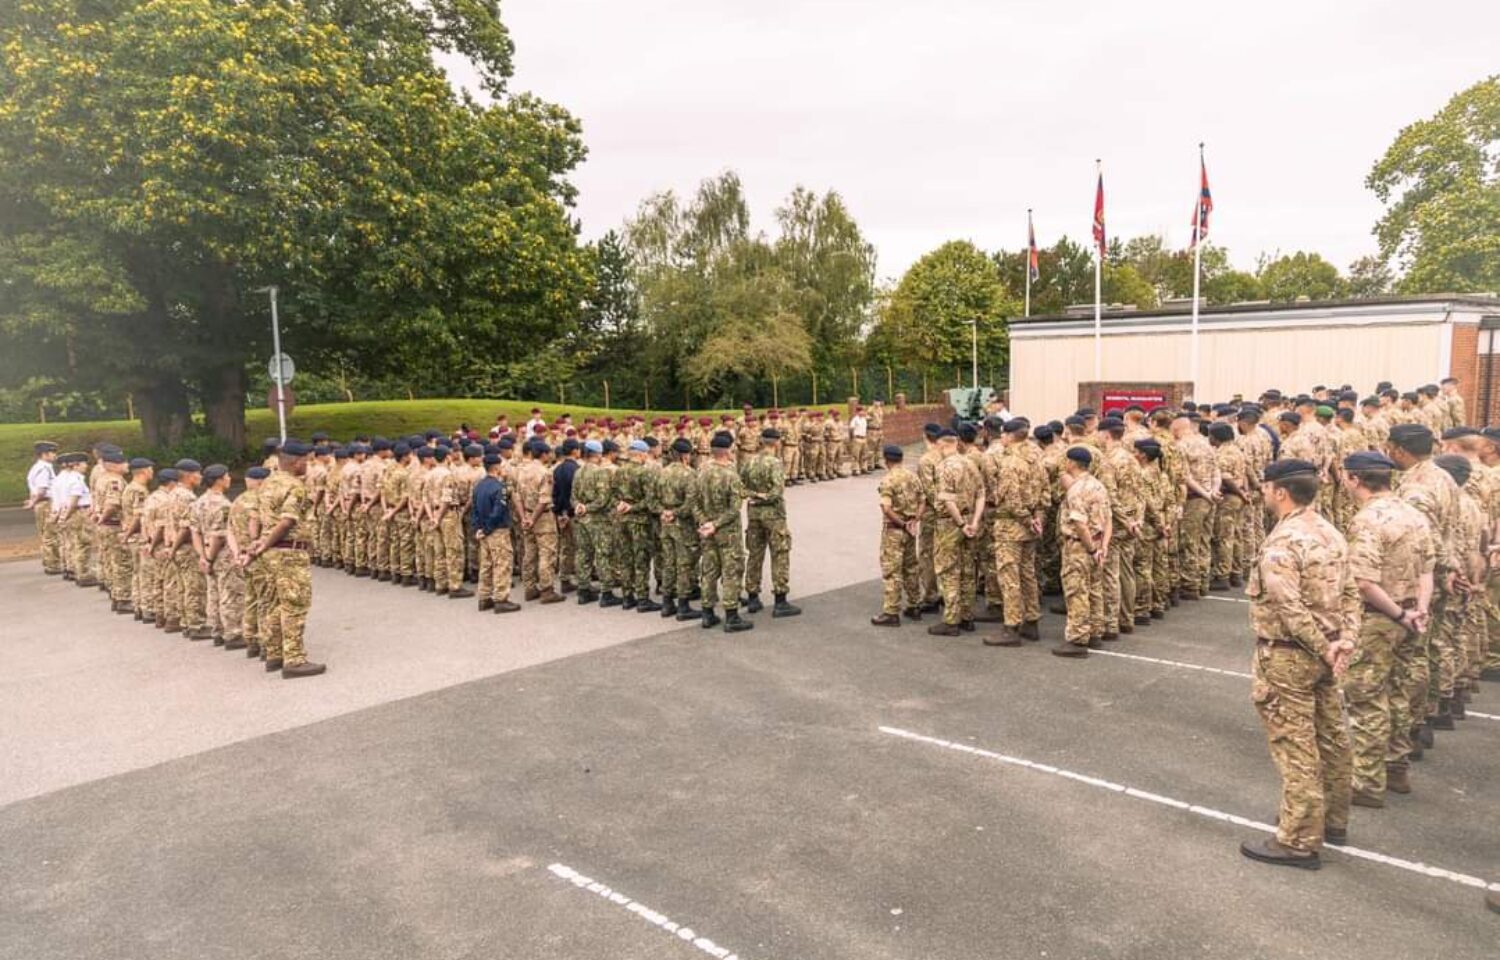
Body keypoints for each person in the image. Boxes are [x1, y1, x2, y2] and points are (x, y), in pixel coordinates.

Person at [1240, 459, 1356, 870]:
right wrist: (1344, 642)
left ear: (1280, 491)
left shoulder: (1282, 541)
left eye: (1267, 487)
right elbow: (1351, 595)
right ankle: (1332, 819)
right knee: (1331, 737)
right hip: (1325, 652)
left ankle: (1299, 840)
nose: (1263, 492)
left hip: (1289, 654)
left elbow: (1288, 606)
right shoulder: (1331, 532)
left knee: (1296, 747)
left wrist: (1325, 647)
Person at [1340, 451, 1434, 806]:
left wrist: (1397, 614)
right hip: (1412, 612)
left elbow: (1364, 581)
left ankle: (1366, 782)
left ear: (1354, 479)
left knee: (1366, 698)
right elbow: (1427, 569)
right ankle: (1396, 767)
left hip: (1380, 618)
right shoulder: (1413, 514)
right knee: (1399, 692)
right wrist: (1419, 610)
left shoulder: (1367, 520)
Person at [242, 440, 326, 678]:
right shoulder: (295, 486)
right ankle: (294, 659)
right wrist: (266, 543)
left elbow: (256, 518)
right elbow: (287, 521)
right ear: (296, 462)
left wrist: (259, 543)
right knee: (295, 605)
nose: (308, 466)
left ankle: (275, 654)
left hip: (271, 554)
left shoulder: (267, 484)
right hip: (289, 551)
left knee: (273, 603)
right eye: (306, 462)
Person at [928, 429, 984, 638]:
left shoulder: (945, 467)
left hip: (950, 524)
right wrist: (974, 521)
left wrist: (960, 523)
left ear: (941, 445)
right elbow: (981, 494)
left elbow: (947, 500)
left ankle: (951, 620)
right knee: (968, 570)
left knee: (949, 571)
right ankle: (968, 616)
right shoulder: (969, 462)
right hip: (971, 519)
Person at [1055, 446, 1109, 657]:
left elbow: (1079, 523)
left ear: (1071, 463)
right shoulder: (1098, 486)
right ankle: (1095, 632)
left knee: (1076, 591)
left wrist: (1091, 548)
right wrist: (1102, 546)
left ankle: (1078, 639)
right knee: (1094, 589)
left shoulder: (1076, 489)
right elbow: (1108, 519)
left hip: (1080, 545)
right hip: (1097, 541)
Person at [741, 428, 801, 617]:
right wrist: (764, 497)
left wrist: (754, 496)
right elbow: (777, 490)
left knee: (755, 555)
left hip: (754, 514)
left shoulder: (749, 462)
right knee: (780, 554)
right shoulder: (774, 463)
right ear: (776, 442)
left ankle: (752, 597)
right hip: (773, 515)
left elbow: (740, 486)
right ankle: (780, 600)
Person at [696, 432, 753, 632]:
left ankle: (707, 613)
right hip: (727, 531)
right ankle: (731, 615)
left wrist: (705, 522)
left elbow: (694, 501)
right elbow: (734, 507)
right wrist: (716, 524)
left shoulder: (701, 470)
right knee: (732, 571)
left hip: (707, 530)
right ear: (728, 450)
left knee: (709, 571)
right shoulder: (731, 475)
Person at [871, 444, 924, 626]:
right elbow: (922, 500)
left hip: (895, 529)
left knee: (892, 570)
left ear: (886, 460)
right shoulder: (912, 476)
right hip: (910, 528)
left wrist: (901, 523)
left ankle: (891, 612)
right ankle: (915, 604)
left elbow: (886, 507)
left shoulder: (888, 480)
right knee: (911, 567)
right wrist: (914, 520)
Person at [654, 438, 703, 620]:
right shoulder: (689, 474)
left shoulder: (661, 472)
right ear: (685, 455)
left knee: (668, 562)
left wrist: (664, 512)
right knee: (684, 564)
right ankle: (683, 605)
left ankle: (667, 603)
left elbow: (652, 499)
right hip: (683, 525)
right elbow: (691, 502)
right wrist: (675, 512)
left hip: (665, 523)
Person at [198, 464, 243, 646]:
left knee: (213, 592)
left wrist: (203, 555)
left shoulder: (199, 502)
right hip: (222, 554)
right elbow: (219, 536)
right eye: (227, 476)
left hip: (206, 550)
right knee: (230, 593)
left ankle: (217, 629)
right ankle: (232, 633)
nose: (229, 479)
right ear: (219, 480)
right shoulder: (223, 505)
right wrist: (210, 557)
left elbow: (194, 531)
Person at [472, 453, 520, 613]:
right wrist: (487, 529)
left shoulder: (479, 486)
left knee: (486, 565)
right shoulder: (500, 488)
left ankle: (484, 597)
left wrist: (479, 528)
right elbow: (498, 512)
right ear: (497, 467)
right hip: (497, 530)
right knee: (502, 564)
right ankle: (501, 599)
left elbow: (475, 510)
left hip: (484, 531)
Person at [25, 441, 61, 575]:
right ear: (44, 454)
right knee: (50, 533)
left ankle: (50, 562)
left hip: (41, 502)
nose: (55, 455)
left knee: (46, 532)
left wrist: (33, 500)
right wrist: (33, 502)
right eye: (53, 452)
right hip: (45, 503)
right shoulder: (44, 468)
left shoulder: (37, 467)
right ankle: (53, 564)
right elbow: (42, 489)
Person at [553, 438, 582, 595]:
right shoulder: (577, 469)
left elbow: (555, 494)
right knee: (580, 548)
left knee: (565, 548)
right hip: (575, 513)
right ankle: (582, 580)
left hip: (562, 514)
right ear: (575, 451)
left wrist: (560, 512)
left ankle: (564, 579)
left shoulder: (557, 469)